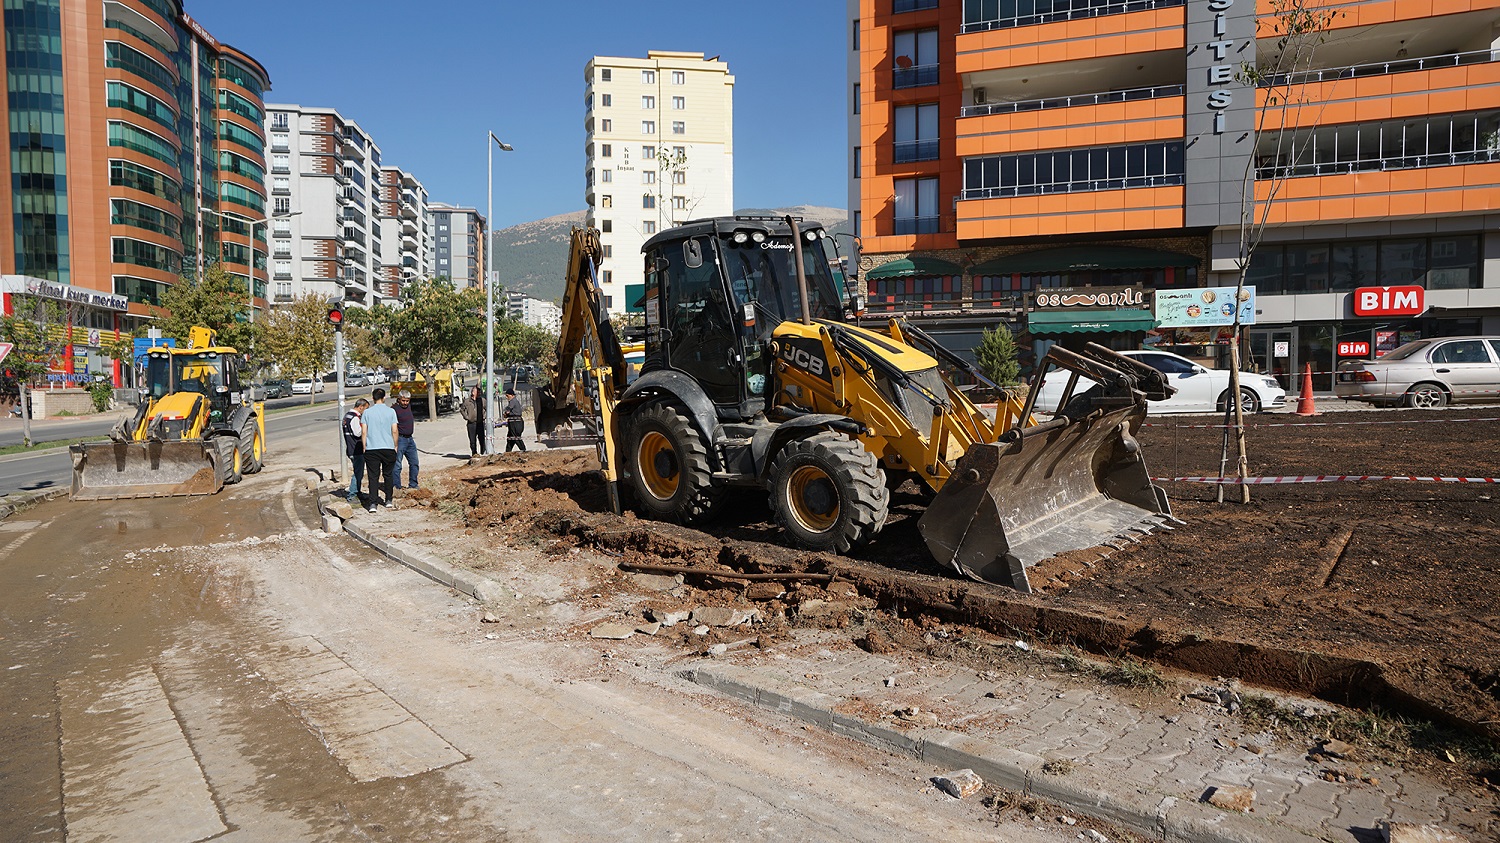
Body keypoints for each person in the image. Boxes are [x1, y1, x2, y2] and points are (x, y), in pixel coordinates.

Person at [361, 388, 398, 512]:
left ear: (372, 398)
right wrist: (395, 445)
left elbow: (364, 431)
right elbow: (394, 430)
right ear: (384, 397)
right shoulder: (391, 411)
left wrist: (364, 446)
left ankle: (373, 504)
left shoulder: (367, 413)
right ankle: (388, 500)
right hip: (388, 447)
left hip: (372, 448)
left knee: (373, 476)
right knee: (388, 474)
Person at [343, 398, 369, 502]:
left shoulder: (347, 416)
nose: (365, 412)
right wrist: (366, 428)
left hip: (351, 448)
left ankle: (358, 492)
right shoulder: (354, 418)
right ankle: (352, 494)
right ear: (360, 407)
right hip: (356, 449)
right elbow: (358, 433)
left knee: (359, 471)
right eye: (365, 409)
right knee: (358, 473)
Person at [392, 388, 419, 489]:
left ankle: (413, 484)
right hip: (400, 439)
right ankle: (396, 487)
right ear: (399, 399)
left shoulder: (409, 407)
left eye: (407, 401)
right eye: (403, 400)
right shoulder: (394, 409)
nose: (405, 403)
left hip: (410, 439)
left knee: (414, 463)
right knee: (397, 465)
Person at [460, 385, 486, 458]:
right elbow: (462, 409)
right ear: (473, 392)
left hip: (480, 423)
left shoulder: (482, 400)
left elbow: (488, 408)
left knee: (482, 440)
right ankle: (474, 454)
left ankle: (483, 454)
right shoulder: (467, 401)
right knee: (472, 441)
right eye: (477, 392)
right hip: (471, 424)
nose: (479, 393)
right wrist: (466, 417)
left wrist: (484, 416)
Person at [502, 388, 527, 452]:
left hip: (516, 423)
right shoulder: (513, 401)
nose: (507, 397)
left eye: (507, 396)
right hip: (512, 422)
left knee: (516, 437)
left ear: (512, 395)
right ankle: (507, 452)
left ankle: (523, 450)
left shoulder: (513, 401)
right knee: (510, 438)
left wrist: (505, 413)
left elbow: (508, 410)